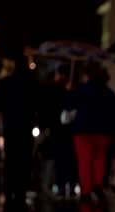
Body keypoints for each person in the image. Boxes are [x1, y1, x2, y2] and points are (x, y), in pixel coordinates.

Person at [0, 52, 39, 201]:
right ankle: (20, 188)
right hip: (26, 126)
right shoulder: (32, 83)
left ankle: (10, 188)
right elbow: (39, 105)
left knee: (11, 157)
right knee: (24, 158)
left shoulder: (7, 82)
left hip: (11, 125)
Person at [70, 62, 115, 202]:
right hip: (102, 131)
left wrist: (70, 91)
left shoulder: (82, 89)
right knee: (99, 160)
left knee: (84, 161)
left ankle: (86, 189)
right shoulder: (107, 92)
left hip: (83, 130)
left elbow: (70, 103)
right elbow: (114, 112)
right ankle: (97, 184)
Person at [38, 64, 78, 198]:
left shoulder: (56, 89)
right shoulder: (63, 90)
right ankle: (67, 186)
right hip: (64, 130)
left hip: (59, 130)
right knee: (66, 159)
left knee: (61, 158)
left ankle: (63, 186)